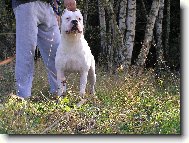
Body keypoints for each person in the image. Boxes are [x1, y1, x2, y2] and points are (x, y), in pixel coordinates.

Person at [12, 0, 76, 99]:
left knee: (57, 54)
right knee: (26, 54)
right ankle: (23, 99)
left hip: (48, 6)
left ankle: (60, 95)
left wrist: (56, 9)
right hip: (25, 4)